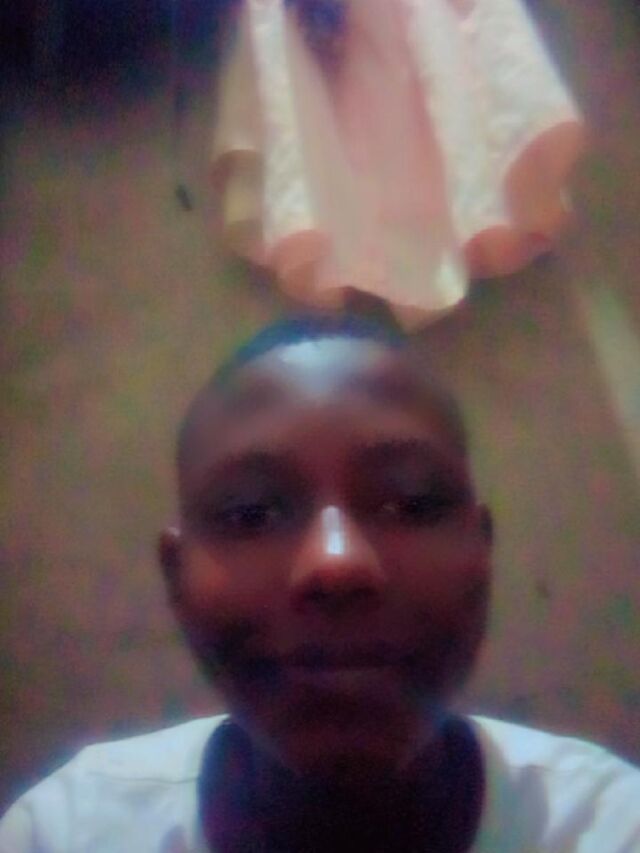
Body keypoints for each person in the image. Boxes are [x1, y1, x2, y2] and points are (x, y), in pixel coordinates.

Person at [1, 312, 639, 852]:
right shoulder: (70, 833)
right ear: (176, 575)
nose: (337, 563)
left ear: (482, 548)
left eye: (412, 503)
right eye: (251, 514)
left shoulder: (608, 829)